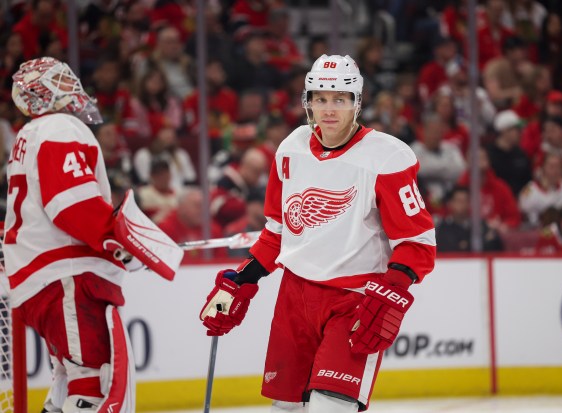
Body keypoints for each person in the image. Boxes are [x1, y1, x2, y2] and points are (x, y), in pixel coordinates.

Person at [199, 54, 436, 412]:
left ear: (356, 103)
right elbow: (278, 232)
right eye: (320, 98)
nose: (328, 109)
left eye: (339, 99)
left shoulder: (388, 157)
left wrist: (393, 288)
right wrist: (241, 280)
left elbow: (418, 244)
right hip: (294, 297)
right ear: (307, 102)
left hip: (353, 299)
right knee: (286, 408)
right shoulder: (291, 148)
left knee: (330, 407)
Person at [3, 57, 181, 413]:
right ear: (43, 93)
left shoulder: (30, 134)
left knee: (69, 379)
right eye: (62, 82)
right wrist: (117, 243)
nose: (73, 88)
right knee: (92, 384)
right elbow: (71, 203)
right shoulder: (59, 127)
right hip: (65, 274)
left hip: (43, 277)